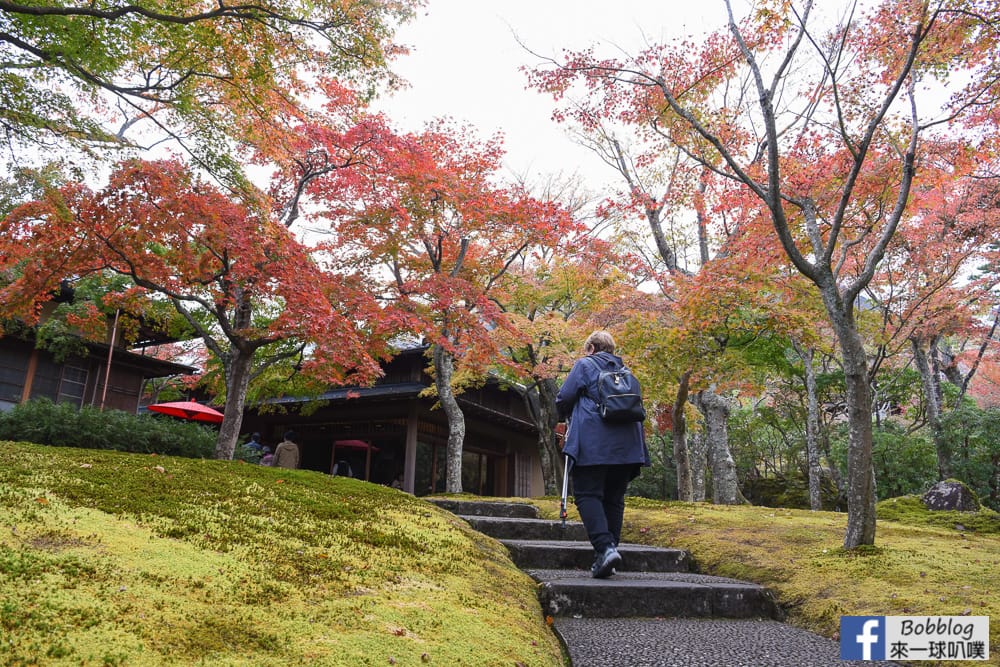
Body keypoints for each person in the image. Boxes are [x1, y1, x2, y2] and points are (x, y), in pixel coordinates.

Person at [556, 330, 649, 579]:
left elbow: (564, 397)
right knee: (614, 498)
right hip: (629, 446)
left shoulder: (585, 365)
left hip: (593, 444)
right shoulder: (626, 370)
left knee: (587, 494)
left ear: (591, 348)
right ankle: (608, 554)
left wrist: (560, 415)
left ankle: (605, 548)